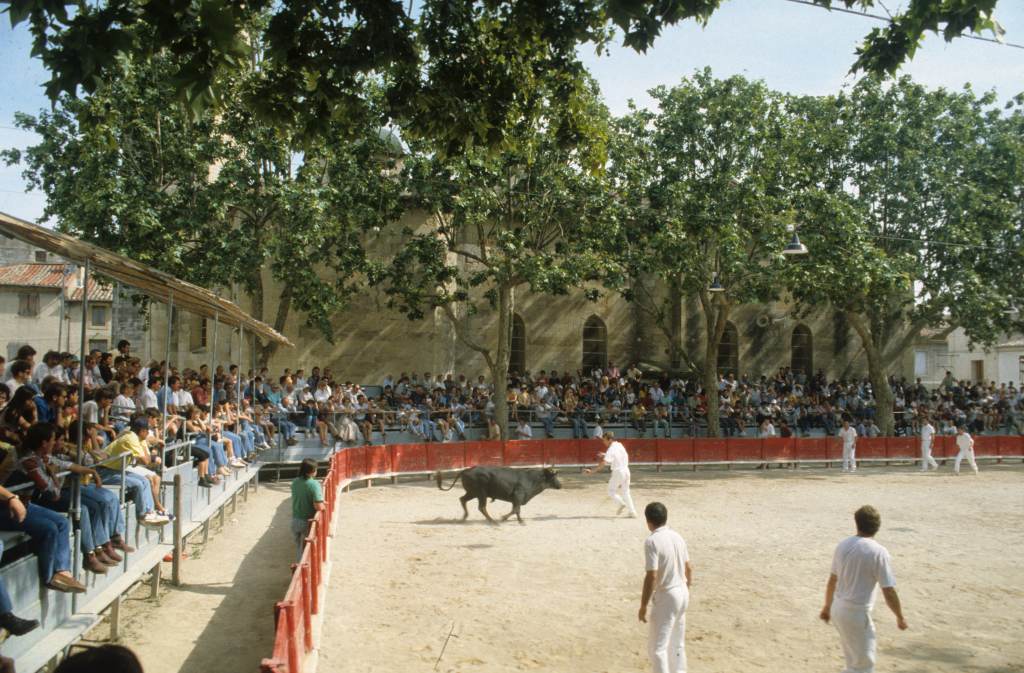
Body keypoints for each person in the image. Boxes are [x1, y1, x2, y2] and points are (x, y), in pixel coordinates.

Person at [820, 505, 908, 673]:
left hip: (839, 609)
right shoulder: (879, 552)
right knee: (864, 666)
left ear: (857, 523)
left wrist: (827, 606)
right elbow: (888, 590)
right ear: (878, 526)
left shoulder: (843, 545)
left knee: (853, 661)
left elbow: (832, 580)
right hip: (857, 614)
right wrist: (899, 616)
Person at [638, 502, 692, 673]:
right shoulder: (677, 536)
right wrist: (686, 590)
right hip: (683, 591)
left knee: (658, 648)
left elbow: (652, 575)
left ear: (648, 521)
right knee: (677, 643)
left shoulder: (652, 541)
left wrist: (643, 605)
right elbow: (689, 568)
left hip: (668, 594)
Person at [583, 432, 636, 517]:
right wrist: (605, 454)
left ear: (610, 440)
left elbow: (604, 463)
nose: (604, 442)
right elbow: (618, 455)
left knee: (611, 491)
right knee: (626, 492)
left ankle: (621, 503)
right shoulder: (619, 445)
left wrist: (592, 471)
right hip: (626, 471)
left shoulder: (611, 449)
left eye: (604, 440)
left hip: (618, 472)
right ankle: (632, 512)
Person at [290, 458, 325, 563]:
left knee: (299, 549)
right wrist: (324, 506)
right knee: (306, 552)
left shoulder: (295, 482)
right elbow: (318, 506)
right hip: (307, 522)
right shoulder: (314, 484)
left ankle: (298, 569)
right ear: (313, 470)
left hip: (295, 520)